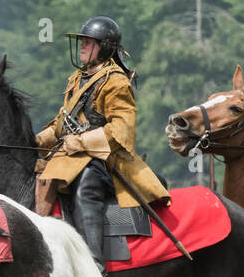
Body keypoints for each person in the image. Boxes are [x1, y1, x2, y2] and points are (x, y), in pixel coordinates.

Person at [34, 15, 170, 262]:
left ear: (105, 46)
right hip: (72, 155)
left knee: (85, 185)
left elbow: (122, 130)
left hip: (103, 159)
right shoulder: (78, 78)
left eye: (89, 42)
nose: (82, 46)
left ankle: (93, 263)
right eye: (82, 41)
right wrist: (38, 139)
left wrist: (83, 142)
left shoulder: (115, 81)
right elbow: (62, 121)